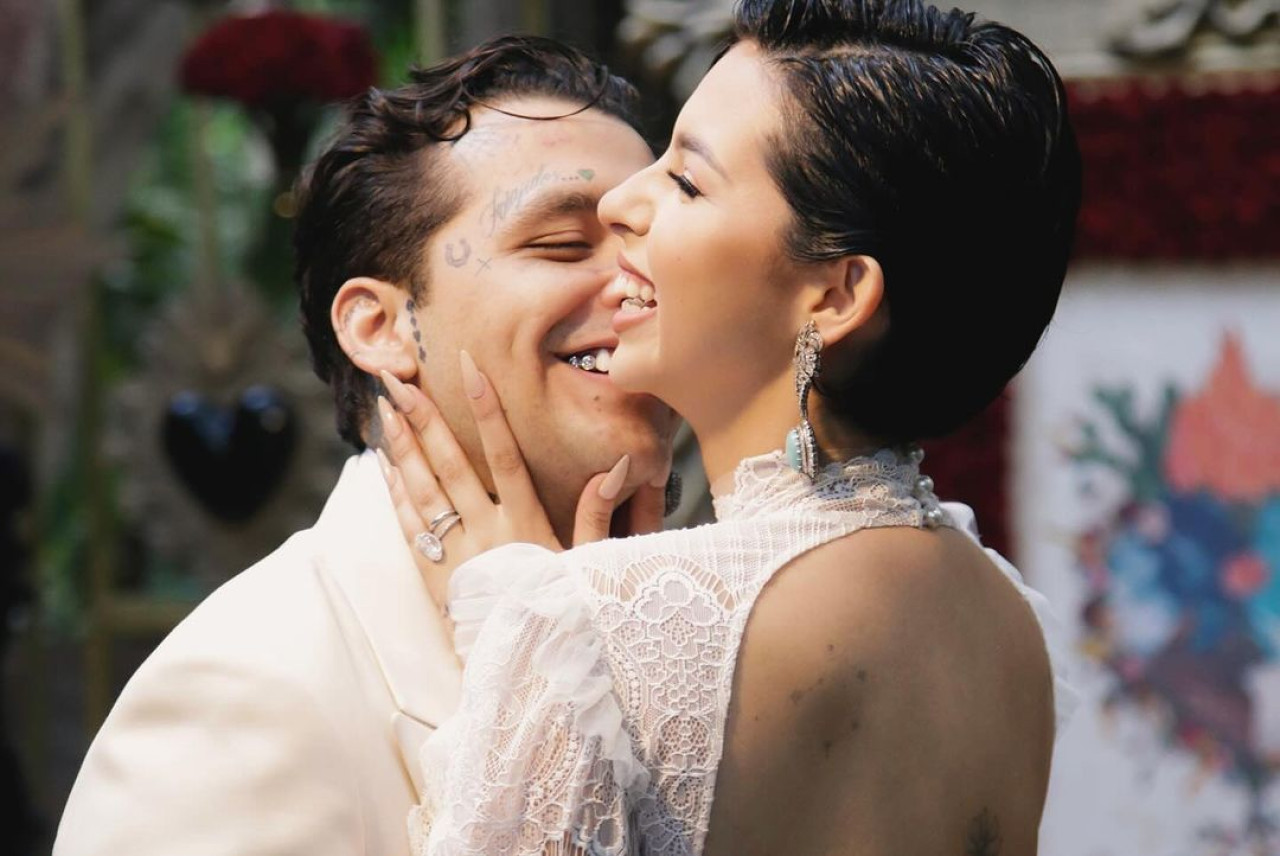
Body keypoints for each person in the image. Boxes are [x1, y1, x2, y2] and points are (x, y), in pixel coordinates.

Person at [376, 1, 1082, 854]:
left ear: (835, 296)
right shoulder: (1011, 623)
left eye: (685, 180)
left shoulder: (591, 625)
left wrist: (519, 625)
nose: (620, 205)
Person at [53, 37, 677, 856]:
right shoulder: (244, 693)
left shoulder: (702, 624)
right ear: (379, 327)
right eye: (561, 244)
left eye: (653, 241)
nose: (641, 285)